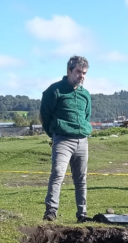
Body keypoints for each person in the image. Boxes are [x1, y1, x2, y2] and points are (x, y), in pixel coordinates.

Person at [40, 55, 92, 222]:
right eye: (78, 71)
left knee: (81, 178)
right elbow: (44, 115)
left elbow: (86, 116)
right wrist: (54, 133)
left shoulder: (86, 94)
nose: (81, 76)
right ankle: (51, 211)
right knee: (57, 174)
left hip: (82, 141)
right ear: (69, 71)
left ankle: (82, 214)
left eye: (84, 73)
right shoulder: (54, 90)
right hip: (62, 139)